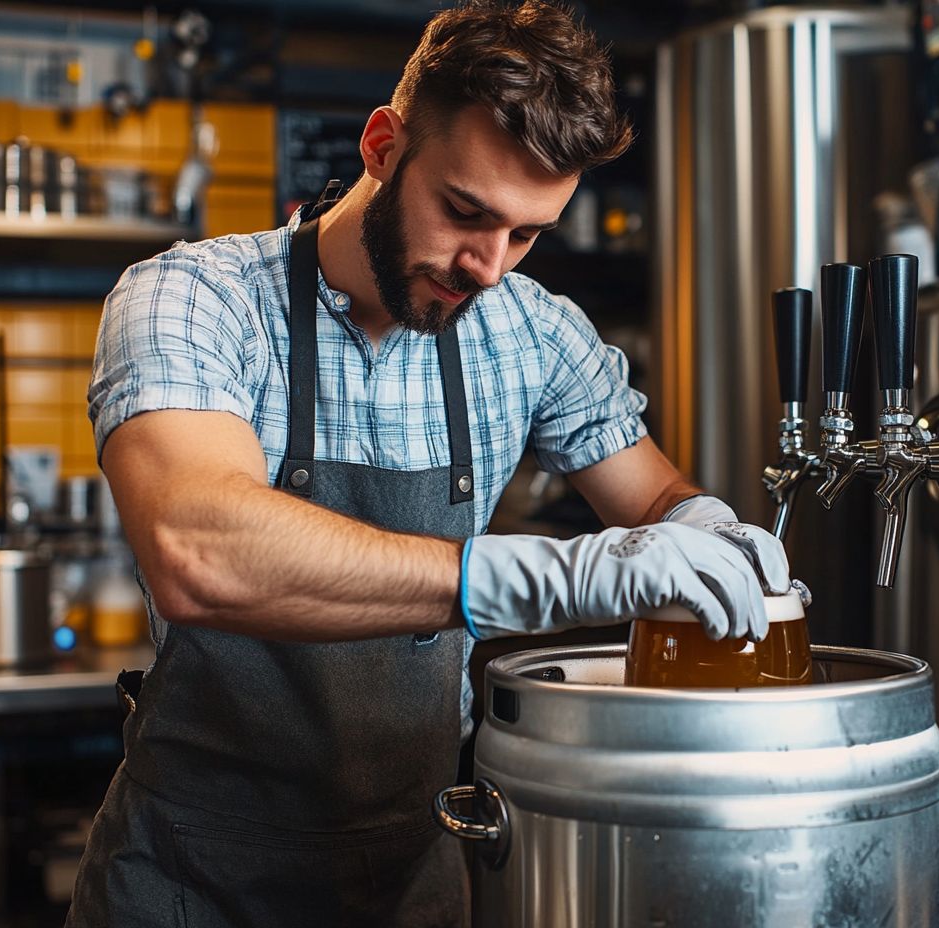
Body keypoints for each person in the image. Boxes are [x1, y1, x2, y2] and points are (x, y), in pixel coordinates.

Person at [65, 2, 790, 925]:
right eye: (465, 211)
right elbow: (199, 548)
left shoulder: (528, 332)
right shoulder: (194, 299)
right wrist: (529, 577)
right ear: (381, 146)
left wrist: (703, 526)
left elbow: (653, 493)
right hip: (190, 880)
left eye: (526, 234)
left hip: (416, 871)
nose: (487, 266)